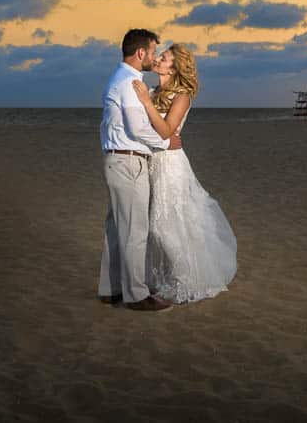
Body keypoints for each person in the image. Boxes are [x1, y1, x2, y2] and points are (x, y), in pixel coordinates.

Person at [131, 44, 237, 304]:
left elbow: (167, 130)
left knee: (164, 225)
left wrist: (145, 101)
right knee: (157, 223)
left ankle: (186, 280)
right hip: (150, 162)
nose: (157, 60)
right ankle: (167, 276)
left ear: (175, 67)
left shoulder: (183, 96)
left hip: (171, 164)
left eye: (164, 58)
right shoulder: (155, 91)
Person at [98, 29, 182, 312]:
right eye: (154, 51)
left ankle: (111, 289)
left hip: (117, 160)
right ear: (141, 53)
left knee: (116, 228)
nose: (155, 57)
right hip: (128, 161)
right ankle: (135, 295)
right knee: (134, 231)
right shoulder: (131, 82)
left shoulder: (120, 78)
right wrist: (165, 140)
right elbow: (137, 128)